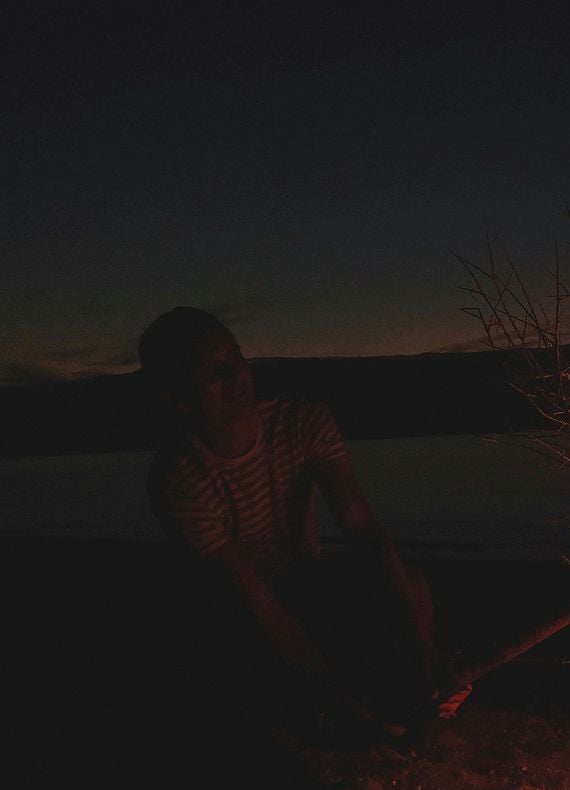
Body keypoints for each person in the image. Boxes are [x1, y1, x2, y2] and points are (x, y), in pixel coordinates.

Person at [137, 306, 463, 749]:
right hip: (240, 609)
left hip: (309, 579)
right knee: (284, 673)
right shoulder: (181, 477)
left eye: (235, 357)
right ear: (177, 396)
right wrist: (342, 697)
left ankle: (416, 693)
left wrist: (421, 642)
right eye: (213, 370)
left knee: (413, 586)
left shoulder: (302, 422)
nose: (236, 376)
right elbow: (259, 604)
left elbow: (362, 529)